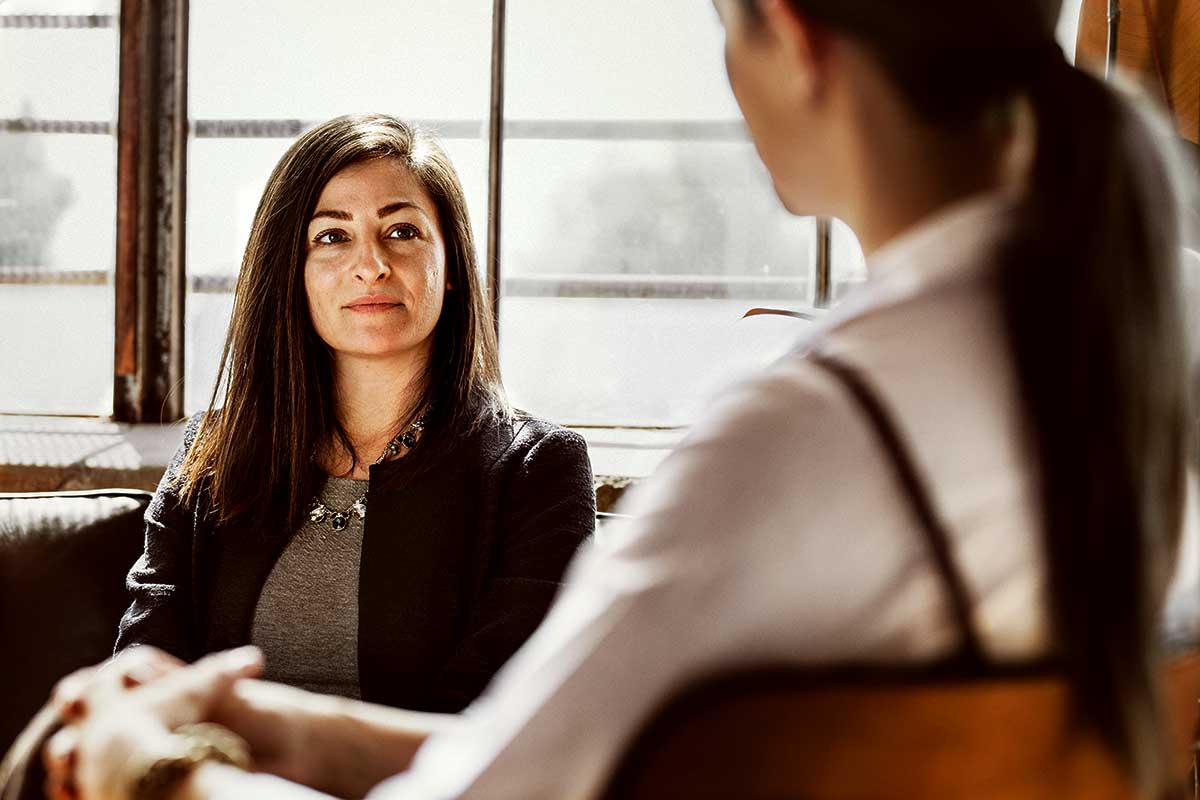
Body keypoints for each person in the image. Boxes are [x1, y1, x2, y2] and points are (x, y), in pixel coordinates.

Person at [34, 0, 1200, 798]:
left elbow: (496, 787)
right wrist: (276, 722)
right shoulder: (1125, 351)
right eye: (333, 237)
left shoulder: (802, 432)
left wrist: (155, 761)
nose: (369, 264)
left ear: (789, 36)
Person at [114, 113, 596, 710]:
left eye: (402, 232)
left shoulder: (537, 470)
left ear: (450, 269)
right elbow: (144, 666)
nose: (371, 264)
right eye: (332, 237)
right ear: (292, 274)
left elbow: (498, 714)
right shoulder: (215, 452)